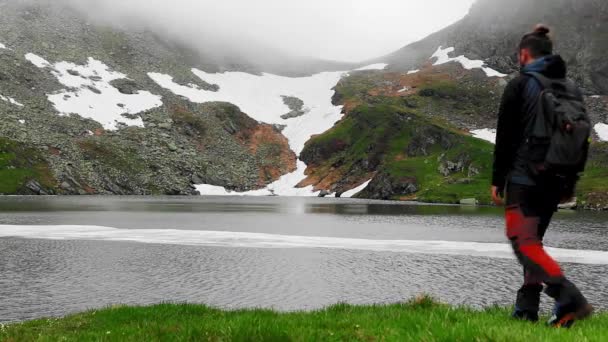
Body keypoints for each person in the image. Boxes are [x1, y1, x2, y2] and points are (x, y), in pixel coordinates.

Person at [491, 24, 593, 327]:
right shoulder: (571, 88)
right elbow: (580, 138)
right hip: (557, 179)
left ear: (525, 54)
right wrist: (569, 183)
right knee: (534, 242)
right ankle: (526, 309)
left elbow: (505, 137)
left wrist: (498, 179)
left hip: (526, 177)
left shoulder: (521, 84)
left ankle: (569, 298)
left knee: (523, 241)